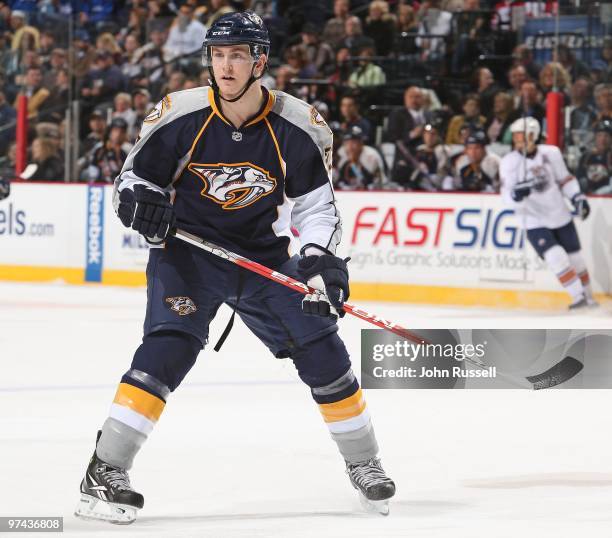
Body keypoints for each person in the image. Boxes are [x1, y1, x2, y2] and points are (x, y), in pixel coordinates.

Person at [74, 11, 395, 525]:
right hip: (189, 253)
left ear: (259, 61)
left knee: (322, 346)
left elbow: (316, 209)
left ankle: (365, 464)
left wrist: (319, 262)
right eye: (218, 55)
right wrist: (142, 204)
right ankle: (104, 469)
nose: (225, 66)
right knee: (168, 347)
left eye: (237, 55)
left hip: (262, 257)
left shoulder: (298, 125)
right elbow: (133, 180)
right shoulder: (180, 113)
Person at [500, 117, 595, 310]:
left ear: (533, 135)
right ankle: (578, 296)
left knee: (576, 259)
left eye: (522, 135)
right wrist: (515, 195)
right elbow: (506, 195)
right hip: (533, 219)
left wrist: (577, 197)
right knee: (555, 256)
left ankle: (589, 298)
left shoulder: (551, 153)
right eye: (516, 135)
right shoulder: (509, 162)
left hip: (559, 212)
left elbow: (565, 179)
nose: (518, 139)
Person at [336, 125, 388, 190]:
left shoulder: (371, 155)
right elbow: (338, 179)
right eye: (348, 142)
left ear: (361, 143)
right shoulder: (341, 153)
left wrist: (353, 163)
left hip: (376, 190)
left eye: (354, 142)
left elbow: (365, 182)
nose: (350, 146)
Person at [577, 119, 612, 195]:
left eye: (606, 136)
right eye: (600, 135)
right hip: (588, 197)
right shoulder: (586, 157)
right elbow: (580, 178)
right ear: (595, 138)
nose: (603, 139)